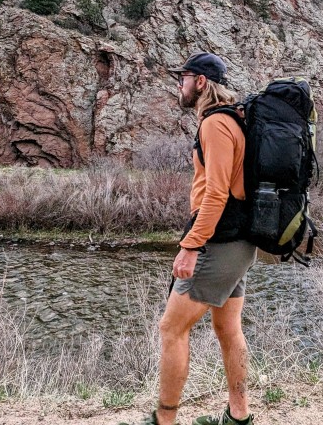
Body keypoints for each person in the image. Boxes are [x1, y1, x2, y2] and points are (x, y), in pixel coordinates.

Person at [122, 52, 256, 425]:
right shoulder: (238, 119)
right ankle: (238, 416)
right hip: (240, 239)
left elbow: (216, 194)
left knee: (171, 328)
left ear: (200, 82)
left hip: (218, 240)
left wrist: (191, 245)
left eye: (183, 78)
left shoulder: (215, 124)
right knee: (227, 327)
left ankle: (164, 420)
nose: (179, 86)